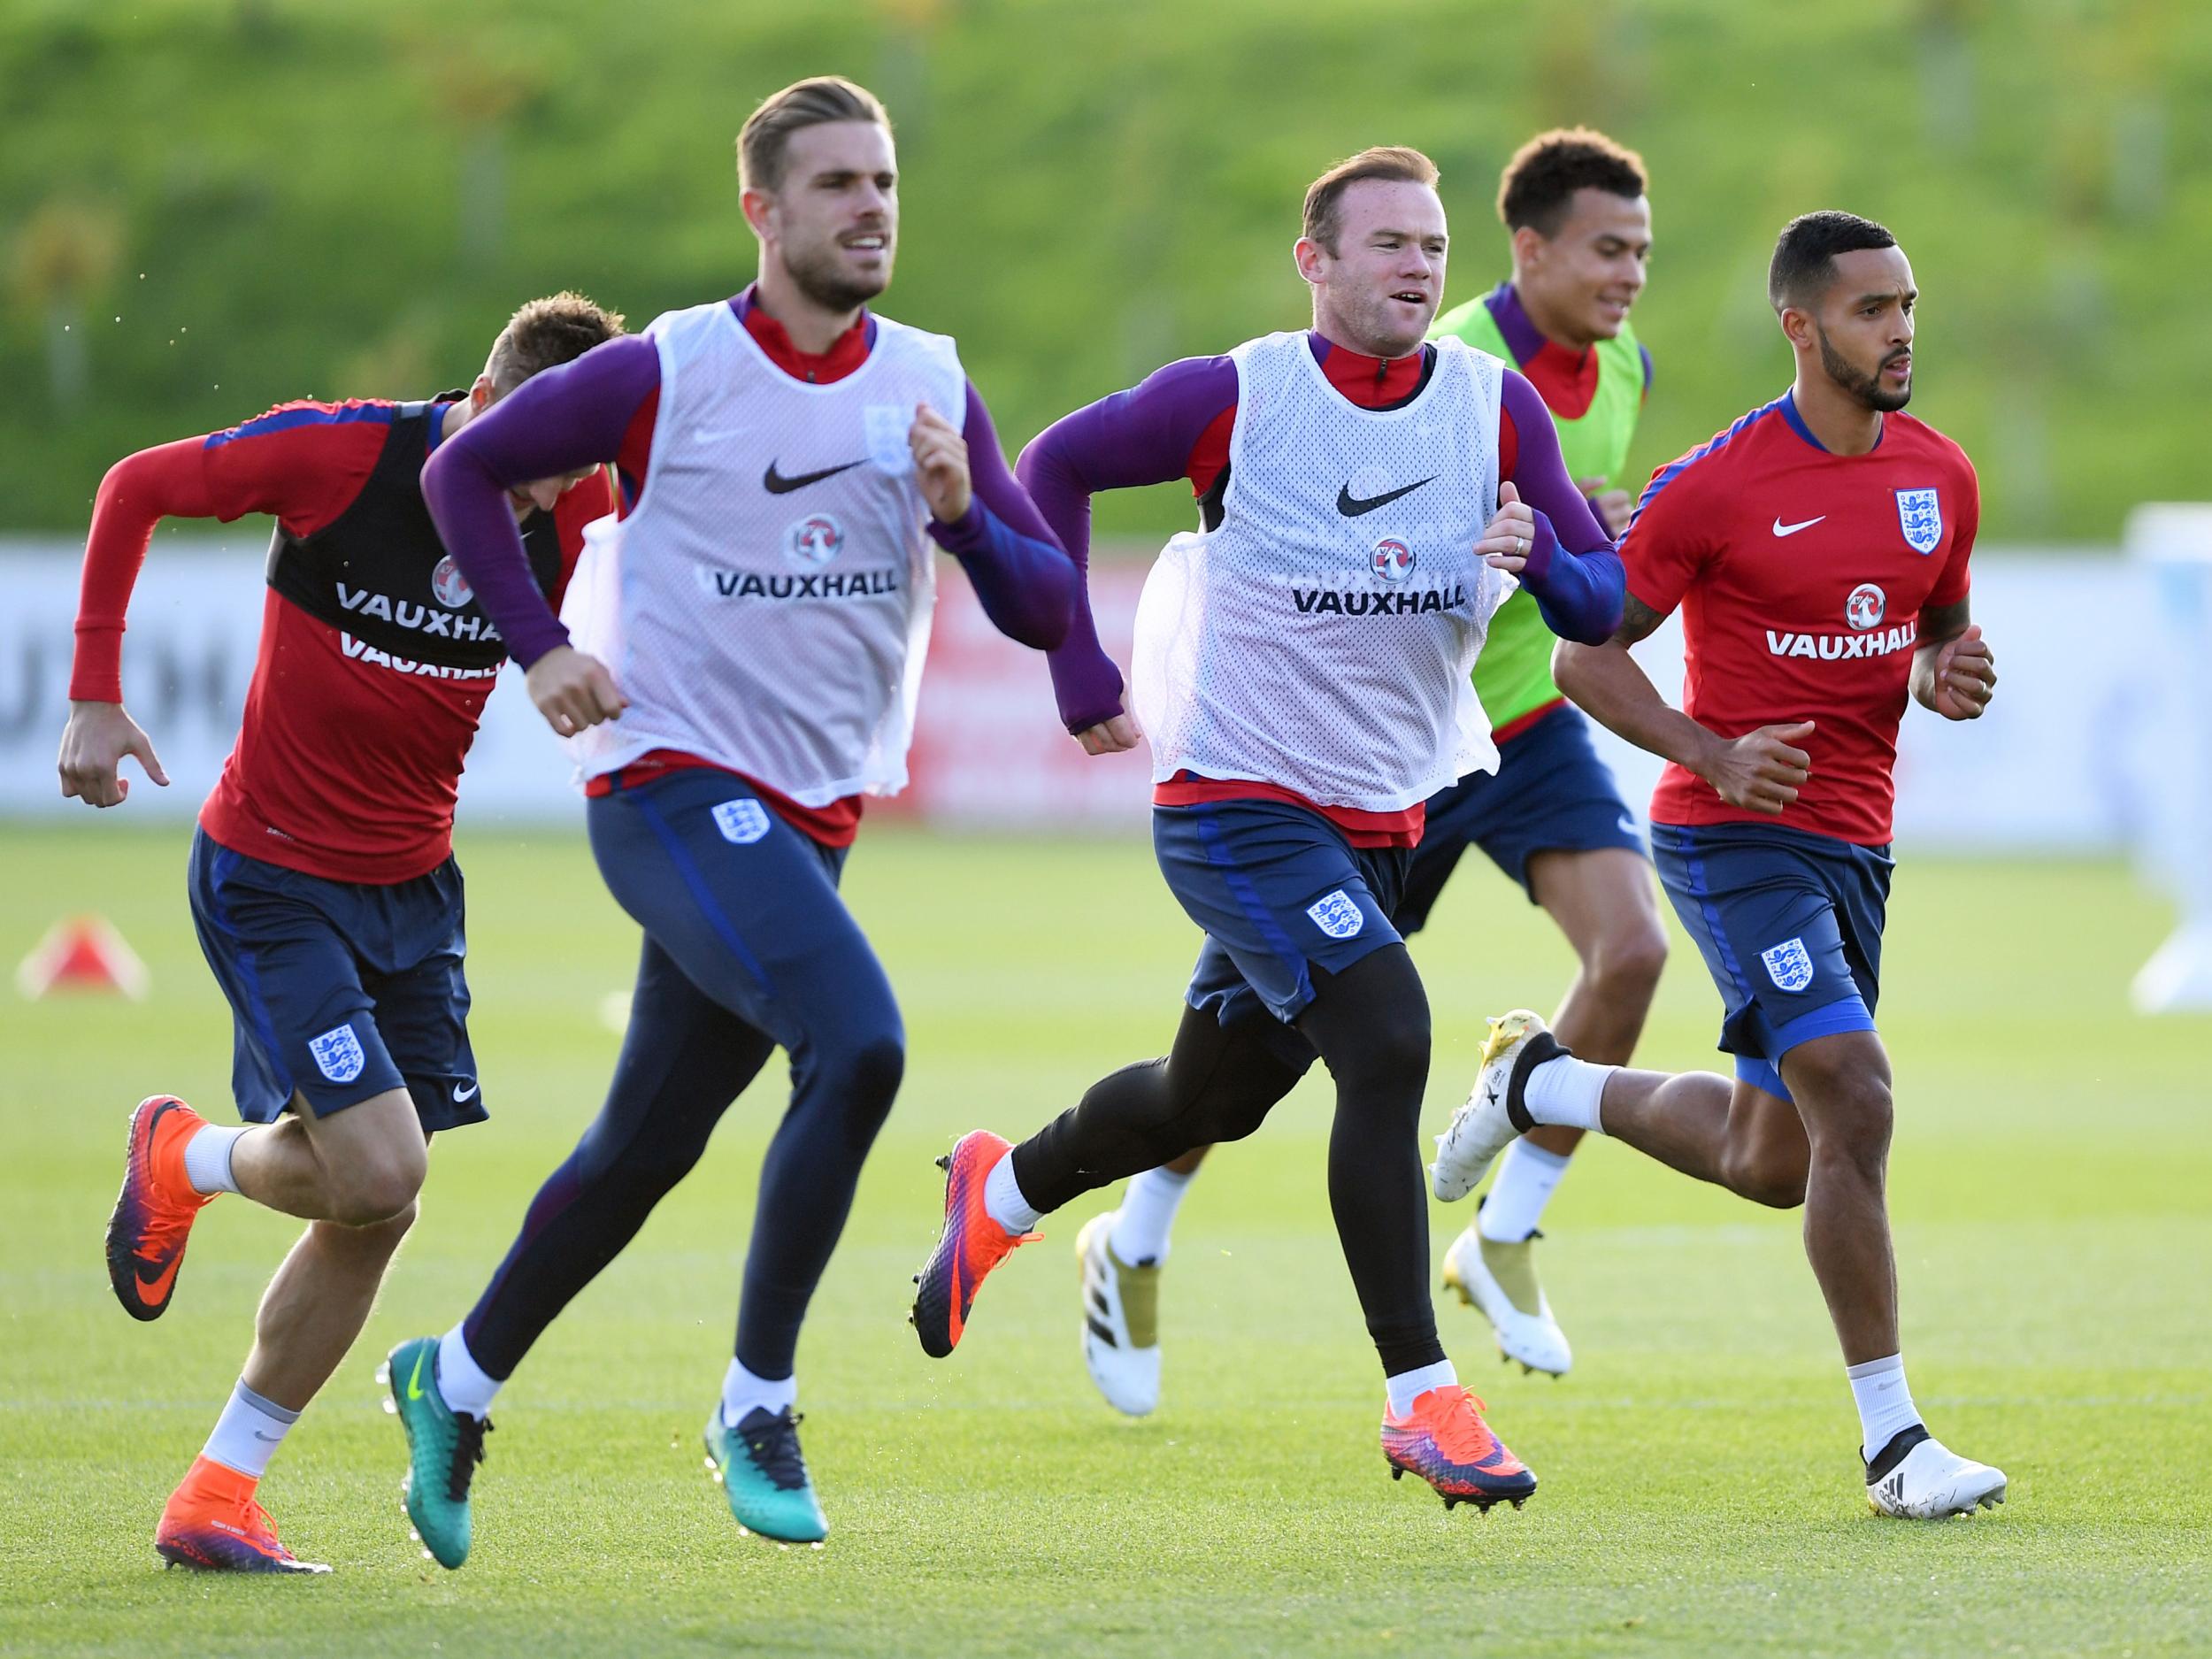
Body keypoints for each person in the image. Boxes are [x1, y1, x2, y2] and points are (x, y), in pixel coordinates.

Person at [380, 75, 1075, 1562]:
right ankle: (756, 1402)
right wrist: (540, 644)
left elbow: (1044, 605)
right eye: (836, 186)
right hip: (671, 786)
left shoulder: (933, 378)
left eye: (883, 182)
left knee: (646, 1144)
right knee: (864, 1043)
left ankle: (456, 1376)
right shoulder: (666, 370)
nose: (871, 208)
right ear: (761, 212)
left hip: (812, 815)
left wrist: (962, 517)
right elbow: (462, 465)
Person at [910, 146, 1624, 1513]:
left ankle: (1002, 1193)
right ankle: (1423, 1397)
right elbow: (1054, 463)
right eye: (1386, 245)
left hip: (1380, 820)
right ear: (1316, 262)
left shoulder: (1493, 407)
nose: (1418, 267)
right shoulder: (1239, 397)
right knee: (1392, 1036)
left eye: (1430, 246)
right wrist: (1077, 670)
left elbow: (1594, 599)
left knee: (1209, 1102)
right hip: (1235, 805)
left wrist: (1555, 560)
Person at [1072, 128, 1664, 1414]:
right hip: (1384, 752)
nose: (1628, 277)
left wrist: (1567, 548)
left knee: (1631, 954)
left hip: (1517, 723)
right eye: (1608, 251)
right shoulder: (1432, 354)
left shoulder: (1620, 364)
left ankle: (1504, 1234)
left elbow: (1588, 579)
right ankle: (1138, 1228)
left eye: (1644, 253)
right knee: (1277, 1052)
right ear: (1534, 250)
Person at [1432, 211, 2008, 1519]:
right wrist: (1711, 748)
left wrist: (1943, 673)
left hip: (1856, 844)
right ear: (1801, 327)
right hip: (1731, 838)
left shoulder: (1942, 476)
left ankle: (1544, 1081)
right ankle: (1895, 1445)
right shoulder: (1722, 483)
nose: (1902, 329)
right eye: (1872, 310)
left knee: (1775, 1160)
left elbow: (1935, 634)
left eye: (1908, 304)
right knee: (1854, 1097)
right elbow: (1586, 652)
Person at [67, 292, 626, 1572]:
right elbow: (134, 484)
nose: (547, 512)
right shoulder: (342, 456)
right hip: (273, 876)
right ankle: (190, 1158)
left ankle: (217, 1494)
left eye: (574, 480)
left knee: (378, 1205)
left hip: (415, 891)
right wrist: (95, 692)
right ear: (487, 412)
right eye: (537, 479)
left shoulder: (583, 507)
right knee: (382, 1171)